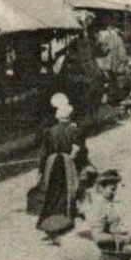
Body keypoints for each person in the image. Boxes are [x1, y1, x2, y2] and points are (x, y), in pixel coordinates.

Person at [35, 94, 82, 225]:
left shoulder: (50, 131)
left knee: (54, 188)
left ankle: (51, 216)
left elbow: (44, 153)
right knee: (68, 187)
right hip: (67, 161)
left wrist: (41, 170)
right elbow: (77, 148)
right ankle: (67, 213)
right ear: (70, 116)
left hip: (53, 163)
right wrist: (71, 159)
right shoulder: (73, 130)